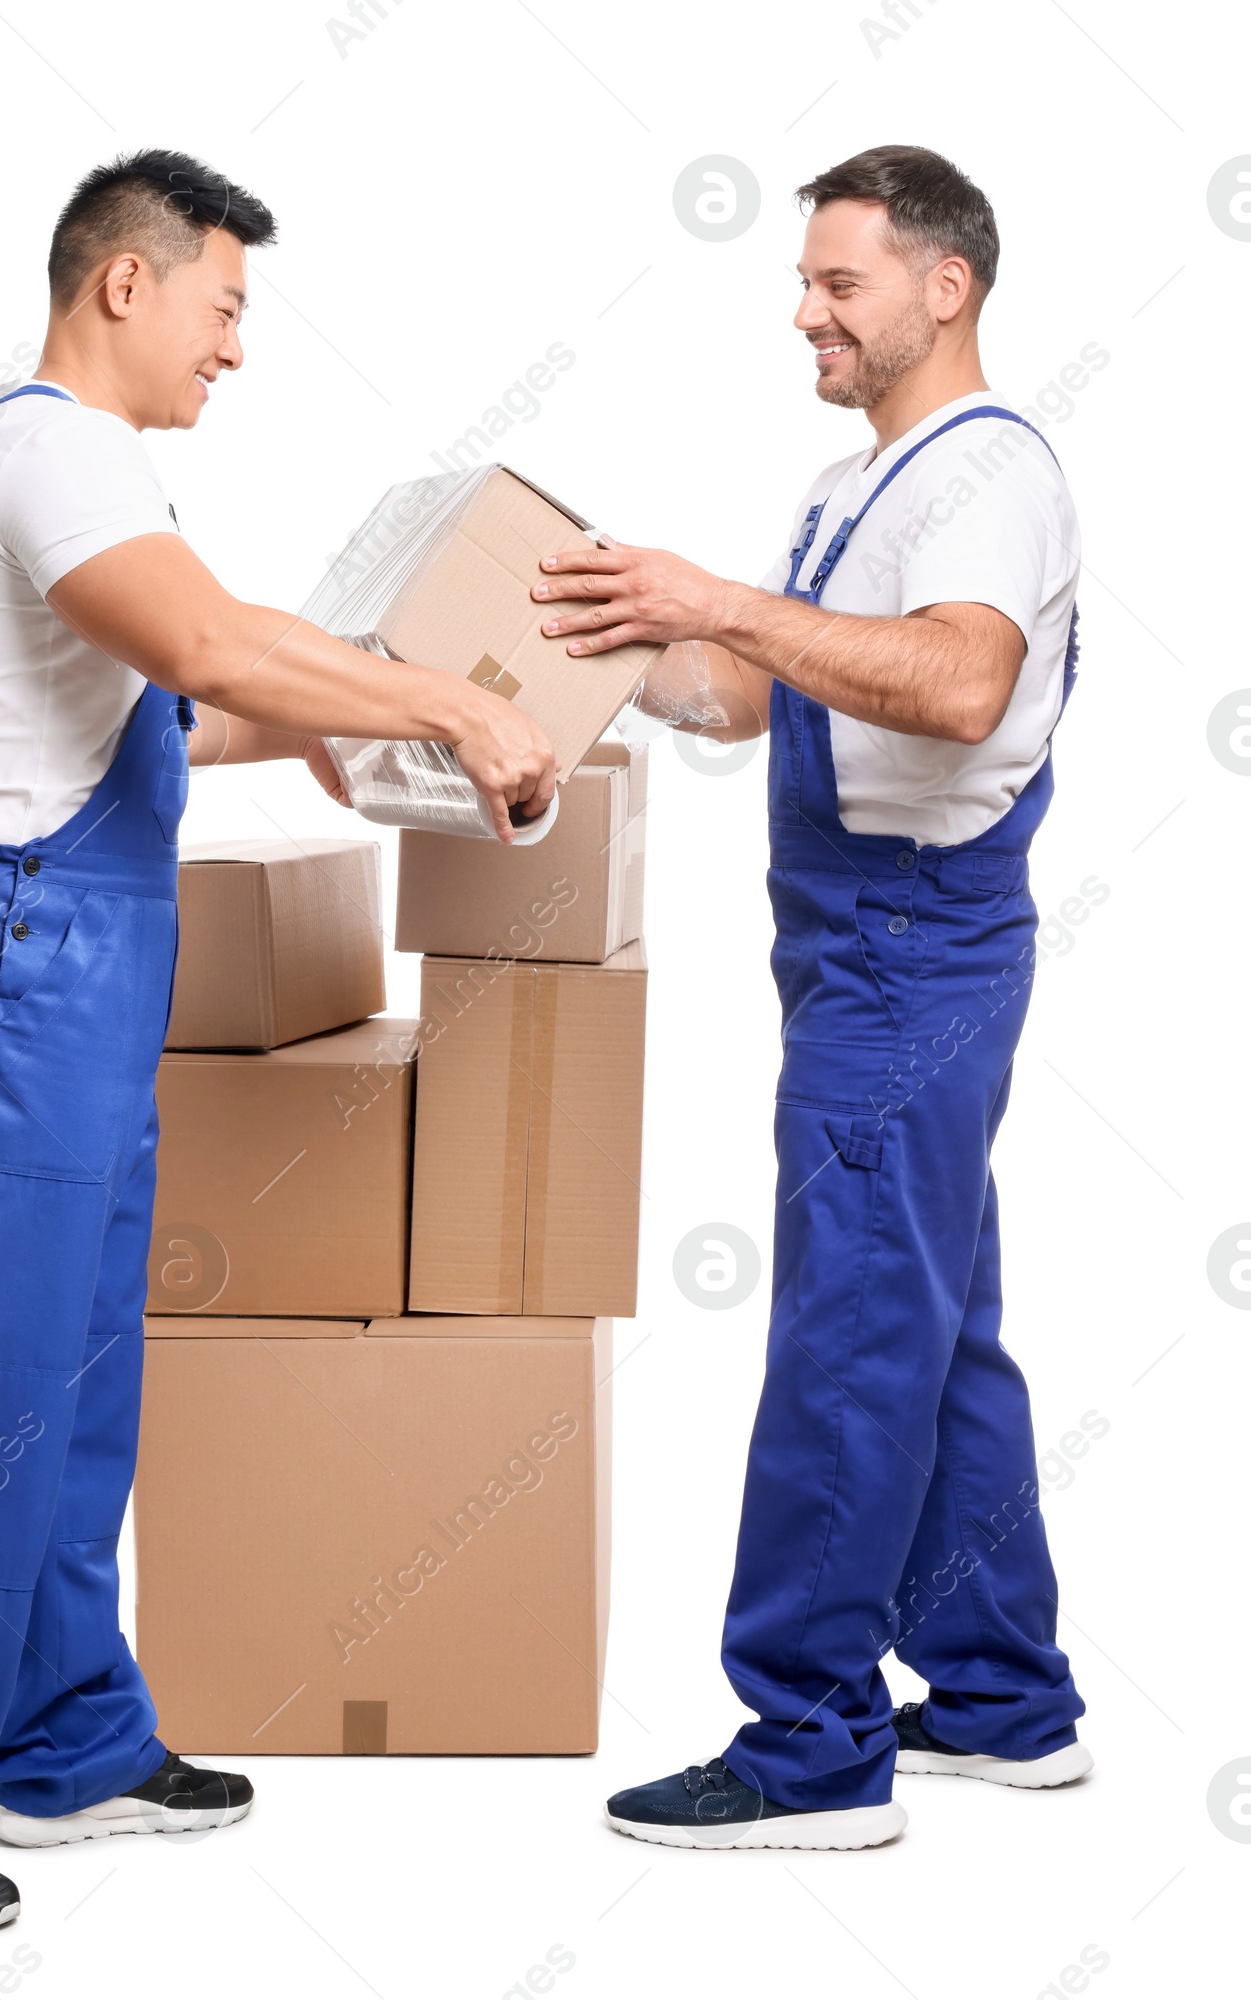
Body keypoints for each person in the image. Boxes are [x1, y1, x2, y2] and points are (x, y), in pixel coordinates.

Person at [0, 148, 557, 1935]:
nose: (236, 350)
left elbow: (171, 718)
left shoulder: (89, 475)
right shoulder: (45, 447)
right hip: (28, 955)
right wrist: (444, 692)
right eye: (225, 306)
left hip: (90, 954)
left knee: (71, 1371)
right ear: (125, 286)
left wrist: (354, 733)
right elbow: (209, 642)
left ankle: (66, 1735)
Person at [534, 145, 1091, 1850]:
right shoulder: (863, 485)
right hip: (863, 943)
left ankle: (809, 1744)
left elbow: (958, 678)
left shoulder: (984, 477)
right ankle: (1002, 1700)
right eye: (806, 282)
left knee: (850, 1332)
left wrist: (718, 599)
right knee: (934, 1326)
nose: (807, 313)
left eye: (838, 284)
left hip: (909, 946)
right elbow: (769, 689)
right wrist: (601, 661)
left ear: (946, 287)